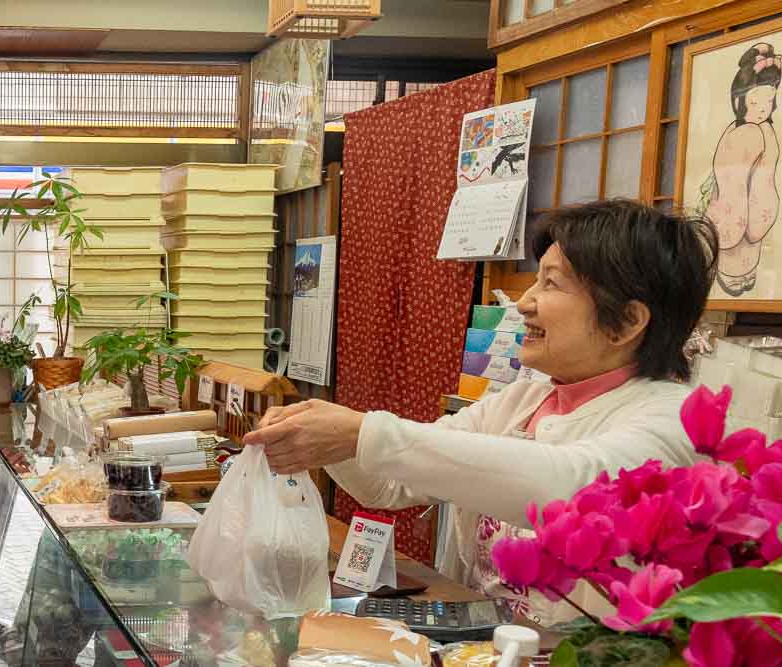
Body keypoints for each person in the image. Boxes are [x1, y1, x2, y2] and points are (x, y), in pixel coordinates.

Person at [245, 199, 718, 626]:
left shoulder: (673, 418)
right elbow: (389, 483)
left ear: (628, 322)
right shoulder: (523, 400)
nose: (526, 302)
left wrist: (361, 433)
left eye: (551, 283)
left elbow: (566, 486)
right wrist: (328, 438)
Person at [700, 42, 780, 296]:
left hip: (747, 234)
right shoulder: (746, 133)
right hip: (736, 233)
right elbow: (735, 195)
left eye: (769, 100)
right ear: (740, 100)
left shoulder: (761, 130)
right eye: (755, 101)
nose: (762, 108)